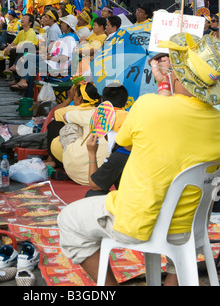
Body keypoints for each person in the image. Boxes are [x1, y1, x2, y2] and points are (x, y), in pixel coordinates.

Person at [57, 32, 220, 286]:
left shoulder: (147, 106)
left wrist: (163, 90)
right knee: (177, 221)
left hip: (137, 221)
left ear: (176, 76)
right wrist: (168, 89)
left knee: (68, 219)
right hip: (189, 227)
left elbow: (122, 143)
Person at [49, 82, 109, 185]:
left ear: (80, 98)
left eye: (75, 95)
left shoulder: (74, 110)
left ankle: (52, 159)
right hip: (104, 173)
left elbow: (55, 113)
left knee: (55, 125)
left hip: (75, 166)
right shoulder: (105, 114)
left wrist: (69, 99)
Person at [85, 83, 129, 198]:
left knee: (92, 194)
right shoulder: (130, 118)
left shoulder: (121, 154)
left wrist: (91, 153)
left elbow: (95, 185)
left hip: (135, 205)